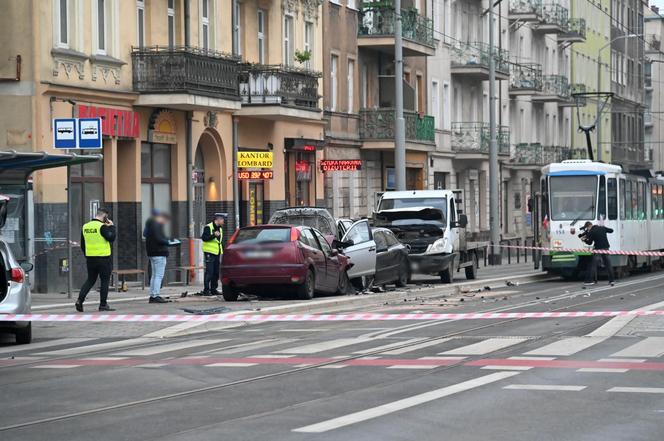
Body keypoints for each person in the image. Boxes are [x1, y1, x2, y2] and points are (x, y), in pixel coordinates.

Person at [75, 208, 116, 312]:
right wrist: (112, 226)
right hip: (103, 259)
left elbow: (83, 245)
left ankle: (80, 300)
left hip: (90, 259)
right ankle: (103, 305)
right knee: (105, 281)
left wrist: (87, 255)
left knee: (90, 280)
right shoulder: (102, 227)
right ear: (104, 216)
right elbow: (111, 238)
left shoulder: (85, 226)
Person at [144, 210, 178, 304]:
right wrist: (169, 242)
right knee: (158, 275)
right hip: (159, 253)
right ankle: (155, 295)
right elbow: (159, 239)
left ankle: (153, 295)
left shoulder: (150, 226)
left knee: (154, 275)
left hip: (152, 253)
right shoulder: (157, 226)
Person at [582, 221, 615, 287]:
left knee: (593, 264)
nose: (587, 230)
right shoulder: (601, 227)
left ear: (589, 226)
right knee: (608, 264)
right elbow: (611, 230)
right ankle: (611, 280)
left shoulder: (592, 231)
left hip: (598, 249)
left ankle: (590, 280)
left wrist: (584, 240)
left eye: (587, 228)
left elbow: (589, 243)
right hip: (606, 247)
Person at [200, 213, 226, 296]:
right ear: (217, 219)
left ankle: (213, 289)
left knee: (216, 272)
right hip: (209, 252)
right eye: (222, 219)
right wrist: (213, 235)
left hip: (217, 252)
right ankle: (206, 290)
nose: (223, 221)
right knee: (209, 272)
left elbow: (220, 241)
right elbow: (204, 238)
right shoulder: (208, 227)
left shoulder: (220, 228)